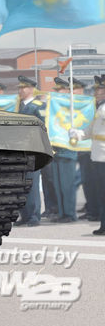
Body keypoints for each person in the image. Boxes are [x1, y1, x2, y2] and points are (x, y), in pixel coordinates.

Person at [46, 76, 84, 222]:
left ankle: (69, 214)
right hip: (56, 150)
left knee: (67, 185)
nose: (56, 92)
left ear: (67, 91)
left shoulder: (72, 106)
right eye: (56, 90)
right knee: (59, 185)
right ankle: (62, 213)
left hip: (68, 150)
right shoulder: (55, 106)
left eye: (59, 90)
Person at [70, 75, 105, 235]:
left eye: (100, 89)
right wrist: (77, 134)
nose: (96, 92)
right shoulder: (100, 108)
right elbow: (90, 131)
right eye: (96, 89)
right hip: (98, 157)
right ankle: (103, 225)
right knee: (101, 194)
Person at [15, 75, 45, 227]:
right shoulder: (18, 106)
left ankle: (34, 216)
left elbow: (44, 128)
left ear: (31, 89)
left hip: (33, 150)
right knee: (21, 184)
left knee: (32, 184)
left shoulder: (38, 106)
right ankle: (25, 215)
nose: (20, 90)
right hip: (20, 150)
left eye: (23, 87)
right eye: (19, 88)